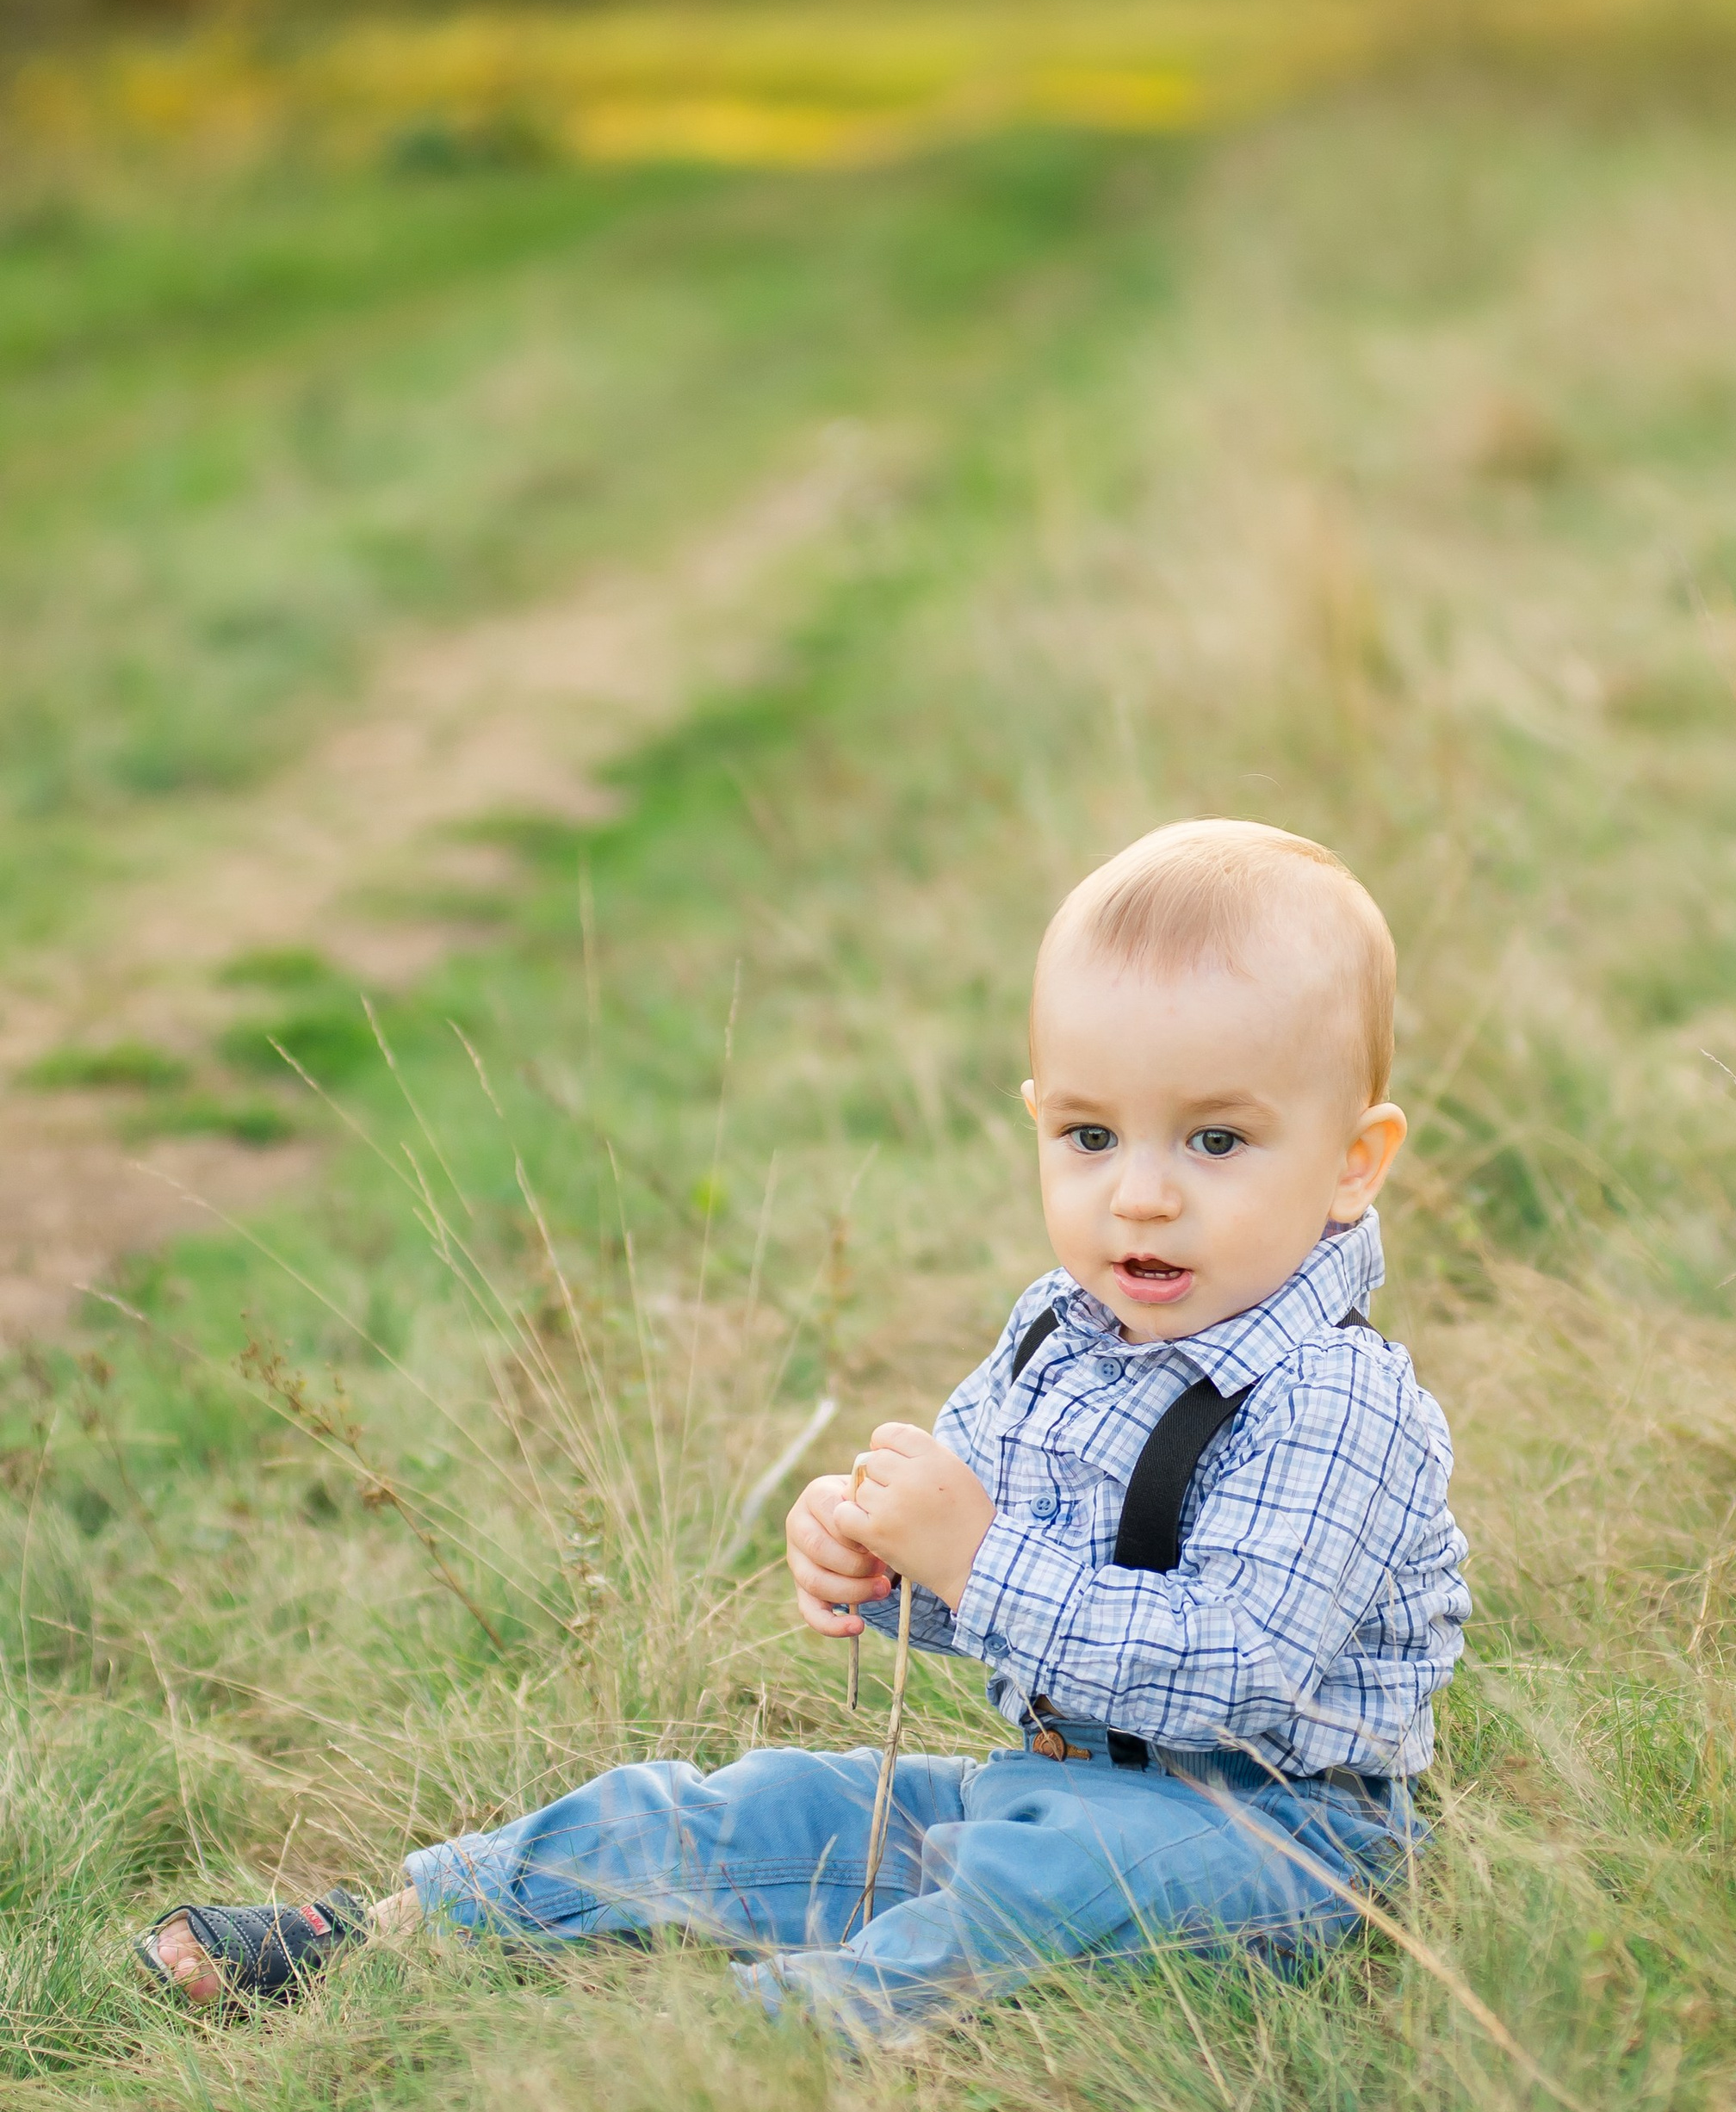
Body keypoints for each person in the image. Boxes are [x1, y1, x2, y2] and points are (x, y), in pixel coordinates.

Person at [138, 820, 1470, 2037]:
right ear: (1036, 1123)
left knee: (1034, 1888)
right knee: (766, 1805)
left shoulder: (1335, 1400)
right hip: (1041, 1780)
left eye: (1217, 1143)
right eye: (1090, 1135)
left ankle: (754, 2046)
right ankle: (398, 1932)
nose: (1140, 1199)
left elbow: (1232, 1671)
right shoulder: (1059, 1336)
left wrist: (975, 1558)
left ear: (1355, 1161)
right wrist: (882, 1566)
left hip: (1278, 1838)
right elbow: (986, 1596)